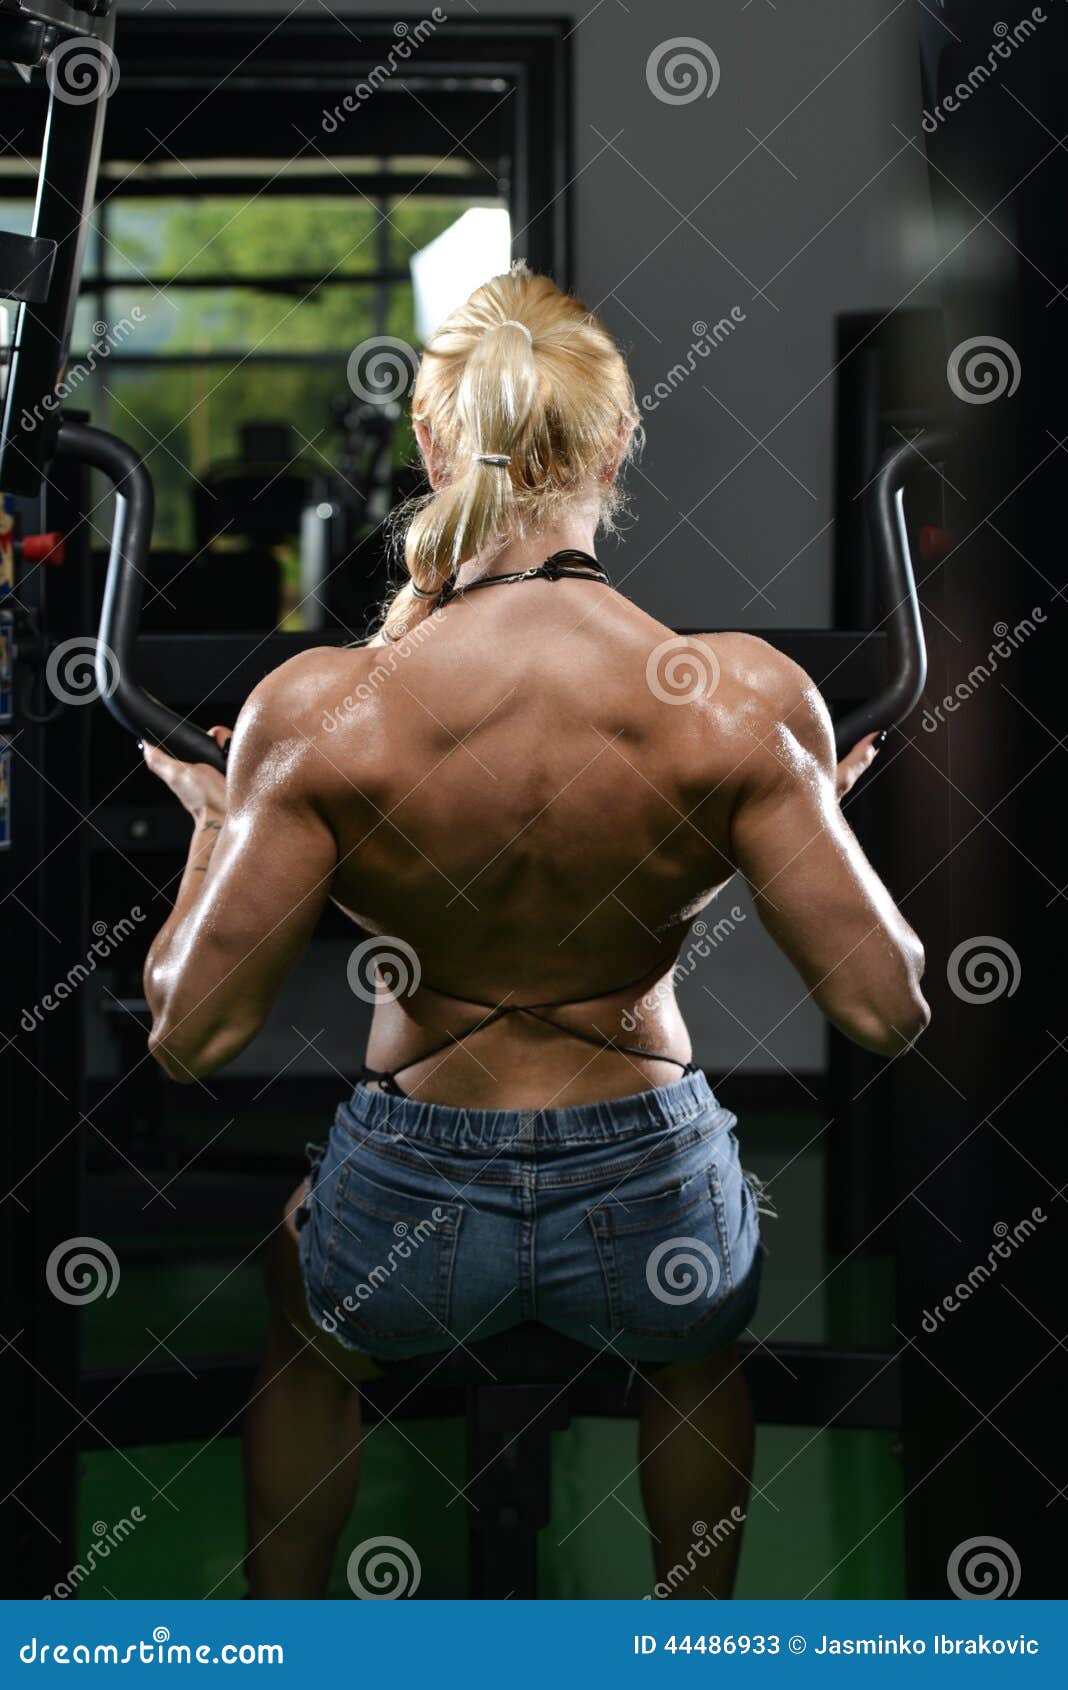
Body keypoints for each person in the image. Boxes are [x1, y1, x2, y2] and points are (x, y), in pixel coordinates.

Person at [142, 262, 929, 1599]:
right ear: (619, 443)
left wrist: (220, 824)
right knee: (694, 1345)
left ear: (436, 442)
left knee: (303, 1305)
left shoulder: (326, 703)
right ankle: (693, 1642)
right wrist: (800, 813)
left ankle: (286, 1644)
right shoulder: (738, 698)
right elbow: (887, 1005)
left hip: (408, 1201)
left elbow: (189, 1034)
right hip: (650, 1195)